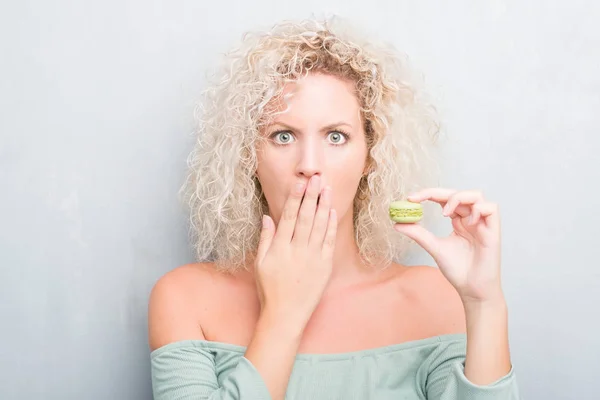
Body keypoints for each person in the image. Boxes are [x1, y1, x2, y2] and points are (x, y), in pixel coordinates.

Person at [148, 16, 520, 400]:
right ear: (248, 156)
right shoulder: (184, 299)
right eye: (283, 135)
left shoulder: (436, 299)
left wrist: (484, 304)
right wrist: (283, 316)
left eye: (336, 136)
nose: (309, 163)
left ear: (370, 157)